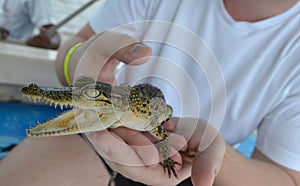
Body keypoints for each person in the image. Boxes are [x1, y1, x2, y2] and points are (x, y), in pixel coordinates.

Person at [0, 0, 299, 185]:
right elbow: (78, 44)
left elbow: (286, 178)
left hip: (196, 168)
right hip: (106, 126)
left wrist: (208, 151)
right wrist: (80, 64)